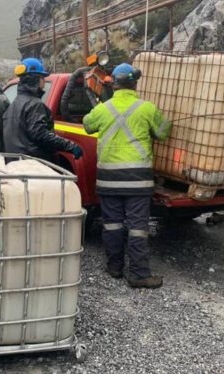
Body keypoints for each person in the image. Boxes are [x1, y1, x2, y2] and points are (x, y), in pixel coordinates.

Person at [83, 63, 172, 289]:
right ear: (134, 83)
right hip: (137, 180)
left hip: (108, 180)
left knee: (112, 224)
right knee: (137, 227)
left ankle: (114, 267)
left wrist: (99, 105)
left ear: (114, 84)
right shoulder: (147, 108)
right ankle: (139, 274)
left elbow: (87, 125)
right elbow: (163, 132)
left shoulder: (103, 109)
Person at [3, 57, 83, 161]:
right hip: (35, 166)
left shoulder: (13, 105)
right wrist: (70, 146)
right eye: (42, 78)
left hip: (16, 165)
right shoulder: (35, 104)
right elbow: (41, 134)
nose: (44, 82)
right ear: (35, 79)